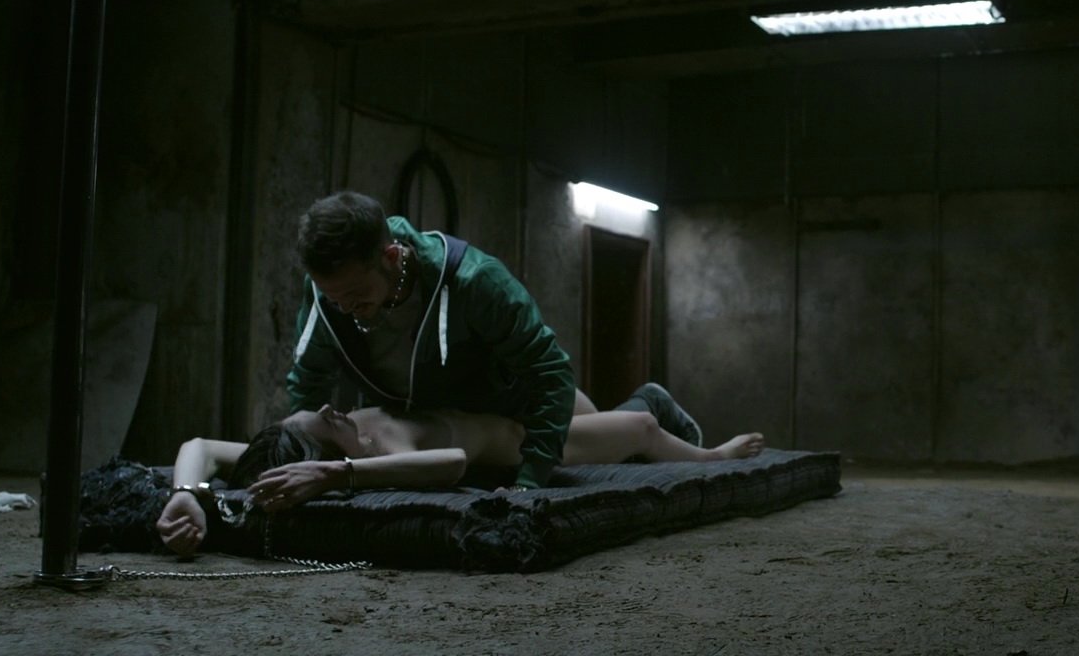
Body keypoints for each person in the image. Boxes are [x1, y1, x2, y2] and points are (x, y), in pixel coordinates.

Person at [280, 190, 701, 491]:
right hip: (460, 420)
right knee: (605, 439)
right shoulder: (328, 294)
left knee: (613, 440)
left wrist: (529, 481)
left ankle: (650, 404)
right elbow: (308, 381)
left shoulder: (475, 280)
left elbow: (549, 373)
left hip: (519, 409)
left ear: (391, 257)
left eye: (355, 295)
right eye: (334, 298)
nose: (345, 307)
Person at [154, 405, 765, 557]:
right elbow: (451, 462)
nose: (331, 410)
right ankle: (699, 444)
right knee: (639, 426)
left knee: (626, 415)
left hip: (516, 407)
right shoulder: (338, 448)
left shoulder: (321, 439)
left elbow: (200, 448)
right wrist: (189, 494)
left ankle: (686, 433)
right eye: (328, 423)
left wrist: (186, 494)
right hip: (522, 437)